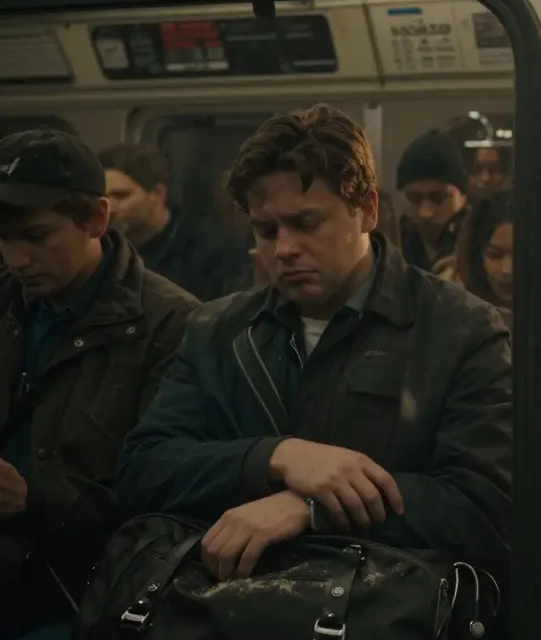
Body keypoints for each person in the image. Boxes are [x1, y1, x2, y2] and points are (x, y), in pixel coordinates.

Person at [114, 104, 513, 588]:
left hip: (386, 616)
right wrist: (274, 457)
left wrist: (309, 507)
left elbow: (483, 505)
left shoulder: (459, 330)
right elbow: (145, 469)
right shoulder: (218, 331)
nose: (283, 248)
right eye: (266, 231)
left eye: (306, 223)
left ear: (366, 210)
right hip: (232, 607)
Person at [0, 129, 198, 640]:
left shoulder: (169, 325)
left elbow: (162, 505)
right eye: (3, 238)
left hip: (79, 589)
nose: (16, 258)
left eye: (37, 237)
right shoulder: (9, 303)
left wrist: (32, 501)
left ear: (97, 220)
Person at [98, 142, 247, 301]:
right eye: (104, 197)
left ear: (157, 193)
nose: (110, 208)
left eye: (121, 196)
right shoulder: (103, 249)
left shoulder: (211, 252)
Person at [396, 130, 470, 273]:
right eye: (414, 198)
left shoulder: (481, 248)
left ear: (463, 197)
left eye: (439, 198)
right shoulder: (390, 247)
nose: (426, 213)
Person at [450, 186, 514, 328]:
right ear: (476, 255)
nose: (506, 270)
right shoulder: (451, 306)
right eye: (494, 255)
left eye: (518, 256)